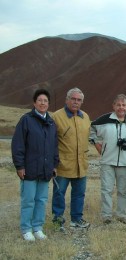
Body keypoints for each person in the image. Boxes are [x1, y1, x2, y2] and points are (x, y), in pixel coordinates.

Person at [12, 89, 59, 241]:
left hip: (46, 170)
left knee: (41, 200)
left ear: (48, 104)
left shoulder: (51, 123)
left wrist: (54, 165)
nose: (43, 103)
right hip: (29, 169)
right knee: (28, 200)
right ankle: (26, 229)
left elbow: (54, 146)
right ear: (34, 103)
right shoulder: (26, 120)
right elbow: (18, 145)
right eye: (40, 100)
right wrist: (19, 166)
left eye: (45, 101)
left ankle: (38, 228)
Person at [90, 94, 126, 224]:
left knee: (123, 191)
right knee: (106, 189)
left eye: (124, 105)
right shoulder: (104, 120)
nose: (121, 107)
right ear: (113, 106)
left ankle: (122, 215)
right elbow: (91, 128)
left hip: (125, 162)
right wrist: (96, 143)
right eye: (118, 105)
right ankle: (106, 215)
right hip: (107, 161)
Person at [51, 87, 91, 230]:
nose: (76, 102)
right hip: (63, 165)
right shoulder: (56, 117)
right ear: (67, 99)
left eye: (79, 100)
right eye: (73, 99)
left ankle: (76, 219)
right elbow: (51, 142)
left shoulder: (85, 117)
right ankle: (57, 221)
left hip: (81, 164)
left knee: (79, 194)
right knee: (59, 194)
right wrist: (52, 163)